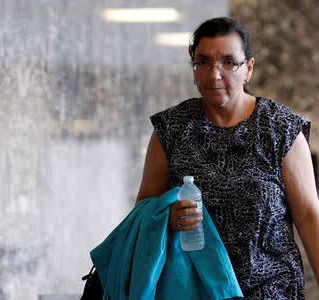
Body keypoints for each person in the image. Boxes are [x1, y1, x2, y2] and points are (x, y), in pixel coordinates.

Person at [135, 17, 319, 299]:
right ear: (193, 68)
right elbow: (143, 208)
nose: (214, 74)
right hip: (190, 289)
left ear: (248, 69)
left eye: (229, 62)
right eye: (203, 62)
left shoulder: (281, 129)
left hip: (268, 290)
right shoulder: (171, 129)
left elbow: (309, 216)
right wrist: (166, 216)